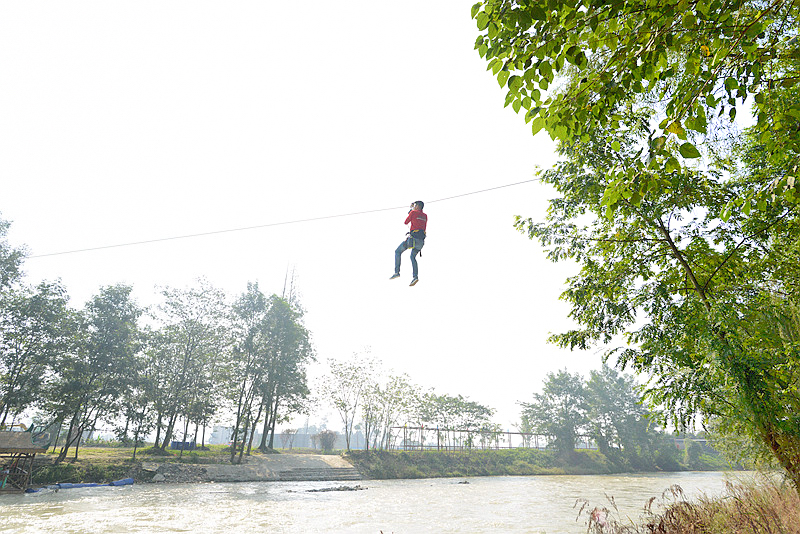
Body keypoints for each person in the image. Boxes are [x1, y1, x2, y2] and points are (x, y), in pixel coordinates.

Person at [390, 201, 427, 286]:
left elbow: (406, 222)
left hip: (413, 240)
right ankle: (415, 277)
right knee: (412, 257)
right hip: (421, 242)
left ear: (417, 206)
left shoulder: (413, 212)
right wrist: (412, 210)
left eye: (415, 205)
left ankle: (397, 272)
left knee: (397, 251)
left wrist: (411, 209)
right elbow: (417, 218)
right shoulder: (425, 216)